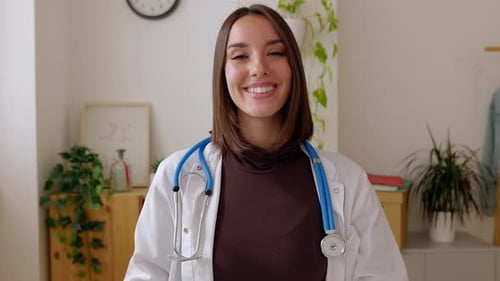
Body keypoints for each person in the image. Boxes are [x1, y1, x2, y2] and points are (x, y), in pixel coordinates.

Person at [124, 4, 408, 281]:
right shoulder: (178, 177)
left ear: (293, 67)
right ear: (222, 74)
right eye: (239, 56)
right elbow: (146, 273)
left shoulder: (348, 181)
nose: (259, 68)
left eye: (275, 52)